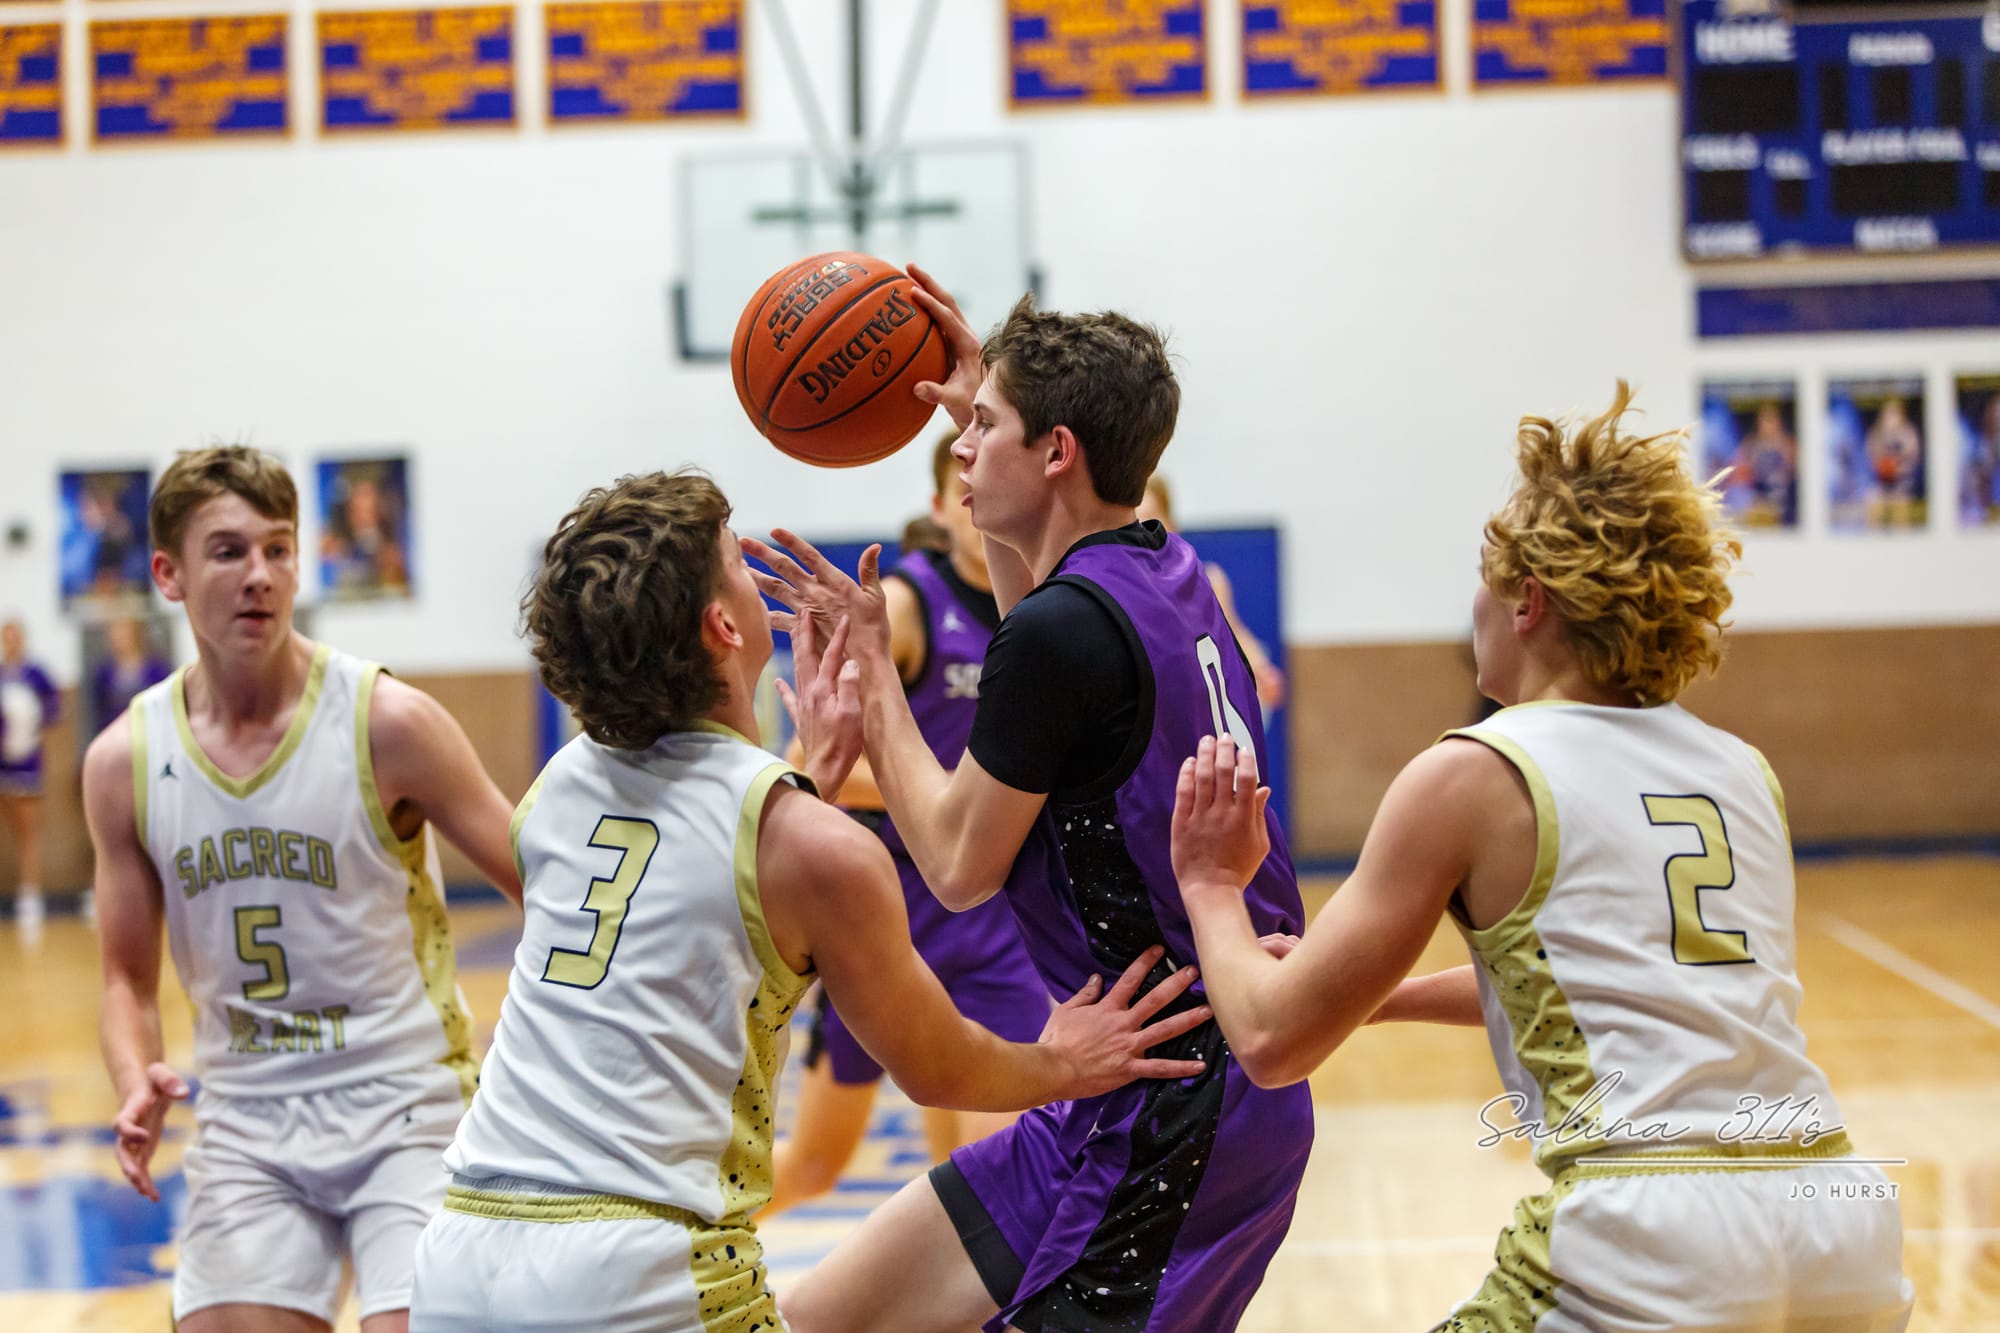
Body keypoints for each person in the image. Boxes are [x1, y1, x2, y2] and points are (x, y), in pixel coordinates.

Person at [1168, 384, 1914, 1333]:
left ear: (1529, 599)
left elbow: (1272, 1039)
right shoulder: (1741, 769)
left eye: (1483, 578)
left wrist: (1211, 885)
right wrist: (1380, 995)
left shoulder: (1473, 771)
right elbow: (1623, 979)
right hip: (1839, 1220)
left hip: (1656, 1228)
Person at [406, 469, 1209, 1333]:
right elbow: (938, 1069)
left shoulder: (552, 792)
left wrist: (810, 778)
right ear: (724, 625)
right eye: (736, 564)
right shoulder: (815, 850)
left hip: (457, 1254)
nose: (754, 582)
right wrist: (1065, 1061)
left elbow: (686, 871)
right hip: (636, 1274)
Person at [752, 269, 1312, 1333]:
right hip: (1118, 1091)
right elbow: (1036, 621)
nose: (960, 446)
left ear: (1056, 451)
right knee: (824, 1318)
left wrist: (872, 678)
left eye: (984, 426)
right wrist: (981, 404)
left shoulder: (1063, 630)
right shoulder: (1160, 568)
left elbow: (957, 867)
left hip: (1177, 1109)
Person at [81, 445, 524, 1333]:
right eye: (228, 551)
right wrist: (134, 1078)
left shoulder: (387, 721)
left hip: (405, 1104)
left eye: (278, 548)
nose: (260, 574)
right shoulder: (125, 760)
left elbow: (544, 888)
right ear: (168, 574)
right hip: (247, 1120)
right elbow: (126, 980)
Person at [768, 434, 1051, 1217]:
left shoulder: (1042, 606)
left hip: (995, 920)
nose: (978, 507)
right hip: (890, 915)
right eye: (961, 492)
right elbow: (808, 761)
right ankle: (671, 1258)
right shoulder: (905, 603)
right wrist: (955, 798)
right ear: (939, 508)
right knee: (814, 1164)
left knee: (998, 1164)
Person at [1135, 474, 1286, 709]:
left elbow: (1234, 632)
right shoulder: (1122, 592)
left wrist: (1260, 667)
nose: (1144, 532)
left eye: (1151, 519)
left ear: (1172, 524)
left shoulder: (1207, 581)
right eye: (1136, 522)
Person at [1, 618, 62, 928]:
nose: (11, 642)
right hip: (3, 763)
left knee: (28, 830)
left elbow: (55, 708)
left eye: (15, 636)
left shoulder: (36, 673)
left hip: (27, 762)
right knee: (10, 829)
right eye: (6, 637)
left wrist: (36, 730)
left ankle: (30, 895)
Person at [91, 617, 173, 736]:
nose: (118, 637)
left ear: (134, 633)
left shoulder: (156, 669)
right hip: (115, 734)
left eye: (123, 631)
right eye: (114, 632)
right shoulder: (103, 673)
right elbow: (99, 712)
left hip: (151, 731)